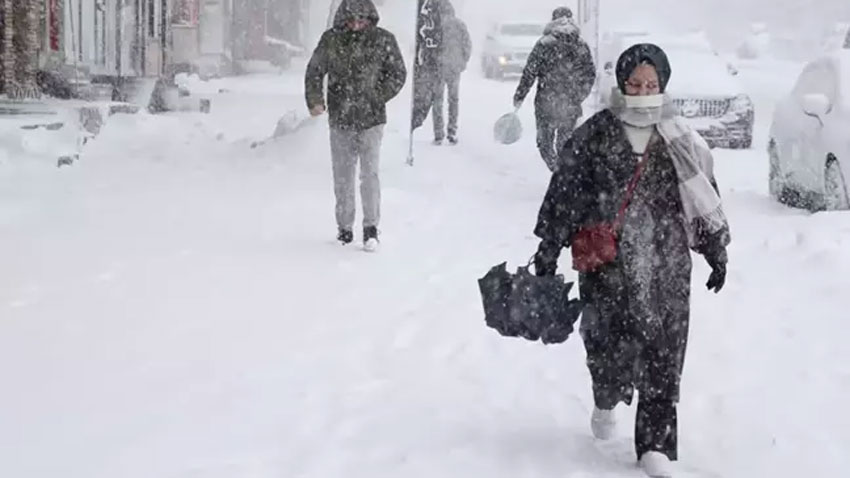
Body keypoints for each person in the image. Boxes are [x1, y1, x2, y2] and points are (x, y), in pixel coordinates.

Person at [531, 43, 731, 477]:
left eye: (651, 84)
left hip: (667, 260)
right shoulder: (596, 132)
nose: (642, 92)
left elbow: (703, 196)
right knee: (607, 346)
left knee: (665, 349)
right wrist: (548, 249)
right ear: (622, 84)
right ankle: (606, 395)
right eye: (634, 84)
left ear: (663, 85)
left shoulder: (679, 137)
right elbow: (564, 194)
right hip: (608, 263)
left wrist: (716, 248)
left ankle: (655, 444)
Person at [305, 0, 407, 251]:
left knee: (369, 174)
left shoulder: (384, 40)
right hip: (340, 118)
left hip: (371, 120)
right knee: (343, 175)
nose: (356, 25)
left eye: (361, 20)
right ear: (343, 19)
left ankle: (371, 228)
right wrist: (315, 100)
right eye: (351, 20)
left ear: (370, 19)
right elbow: (315, 71)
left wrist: (378, 95)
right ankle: (344, 228)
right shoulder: (332, 40)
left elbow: (398, 73)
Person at [512, 6, 596, 172]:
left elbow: (530, 72)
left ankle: (557, 171)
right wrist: (579, 95)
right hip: (570, 103)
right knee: (565, 143)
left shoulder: (544, 44)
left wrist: (520, 95)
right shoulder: (581, 44)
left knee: (545, 144)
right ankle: (565, 175)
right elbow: (590, 74)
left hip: (545, 102)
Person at [431, 0, 471, 145]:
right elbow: (467, 44)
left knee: (437, 101)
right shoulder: (460, 25)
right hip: (454, 68)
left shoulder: (435, 26)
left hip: (439, 67)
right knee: (453, 101)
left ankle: (438, 133)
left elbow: (430, 47)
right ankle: (452, 131)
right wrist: (463, 61)